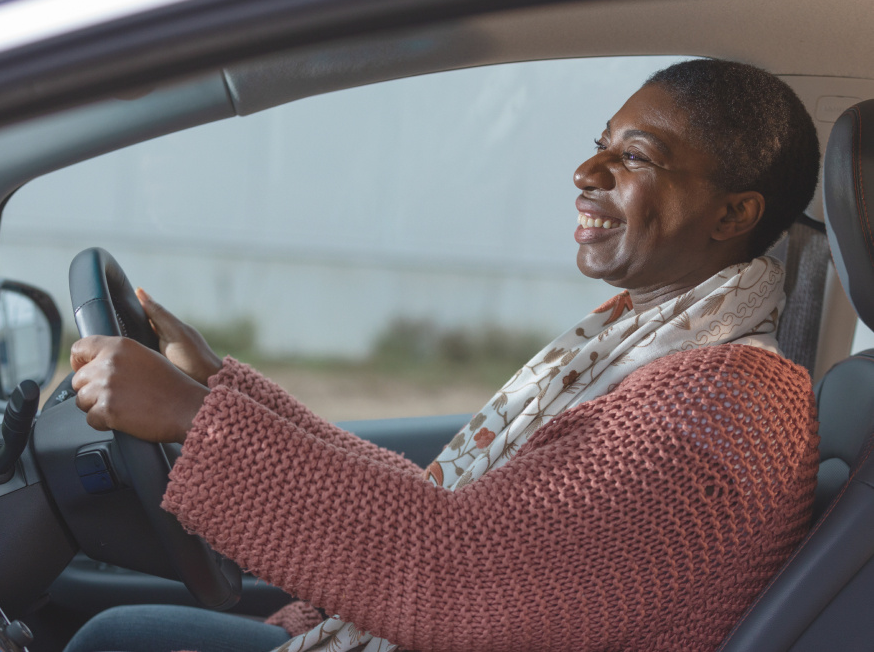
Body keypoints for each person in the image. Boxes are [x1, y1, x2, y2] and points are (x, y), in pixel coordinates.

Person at [64, 58, 821, 652]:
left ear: (733, 213)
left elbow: (460, 571)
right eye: (599, 148)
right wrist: (221, 386)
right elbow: (448, 509)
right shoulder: (656, 347)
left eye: (635, 157)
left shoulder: (719, 407)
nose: (587, 174)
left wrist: (194, 419)